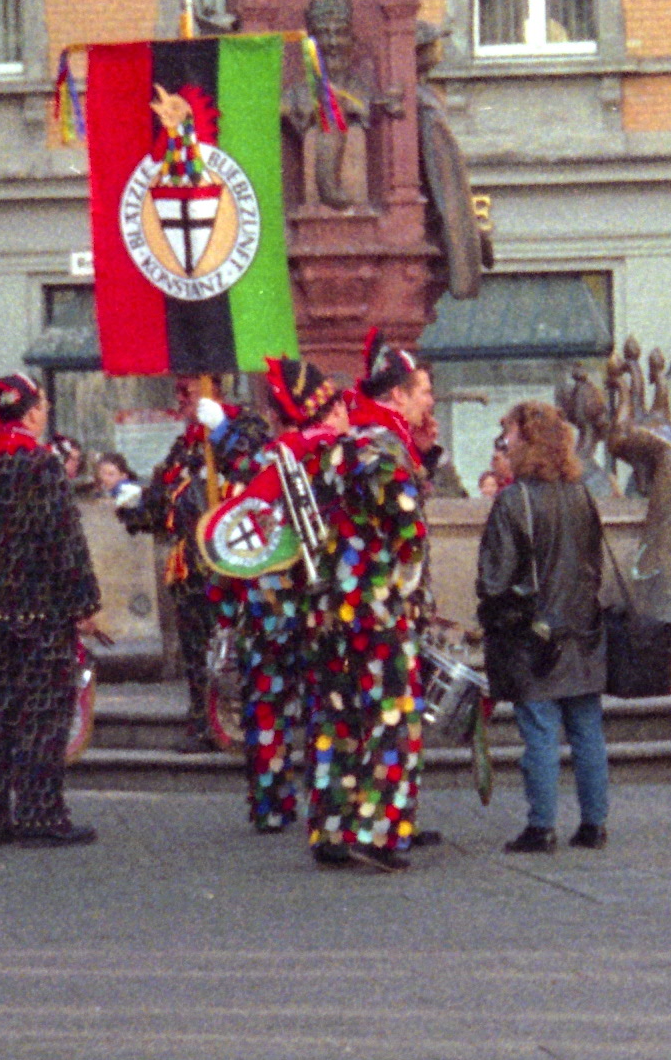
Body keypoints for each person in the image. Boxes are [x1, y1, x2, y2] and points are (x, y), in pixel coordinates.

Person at [0, 375, 101, 849]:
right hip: (39, 610)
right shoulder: (41, 464)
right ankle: (38, 813)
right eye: (44, 406)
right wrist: (83, 601)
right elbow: (63, 538)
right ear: (31, 413)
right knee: (41, 712)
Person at [308, 337, 436, 873]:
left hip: (333, 610)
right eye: (425, 391)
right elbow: (409, 531)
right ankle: (380, 832)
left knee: (339, 719)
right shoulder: (385, 449)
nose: (430, 400)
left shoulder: (342, 443)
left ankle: (334, 828)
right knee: (391, 719)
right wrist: (409, 579)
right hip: (379, 610)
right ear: (400, 395)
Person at [476, 401, 621, 852]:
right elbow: (594, 566)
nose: (506, 442)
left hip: (534, 635)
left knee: (539, 729)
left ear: (528, 438)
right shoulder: (581, 493)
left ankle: (542, 826)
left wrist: (497, 614)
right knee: (586, 728)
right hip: (582, 629)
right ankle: (594, 824)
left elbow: (494, 579)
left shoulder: (515, 499)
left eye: (511, 434)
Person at [233, 358, 345, 834]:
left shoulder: (264, 460)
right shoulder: (337, 453)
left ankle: (271, 803)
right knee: (323, 703)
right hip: (318, 597)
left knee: (266, 705)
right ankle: (324, 801)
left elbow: (236, 532)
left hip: (266, 599)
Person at [119, 385, 232, 733]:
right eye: (179, 392)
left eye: (190, 391)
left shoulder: (241, 426)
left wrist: (227, 432)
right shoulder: (184, 446)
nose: (182, 399)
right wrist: (135, 505)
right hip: (189, 568)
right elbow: (163, 502)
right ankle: (202, 720)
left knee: (230, 650)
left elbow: (256, 467)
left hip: (229, 565)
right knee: (195, 652)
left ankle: (235, 720)